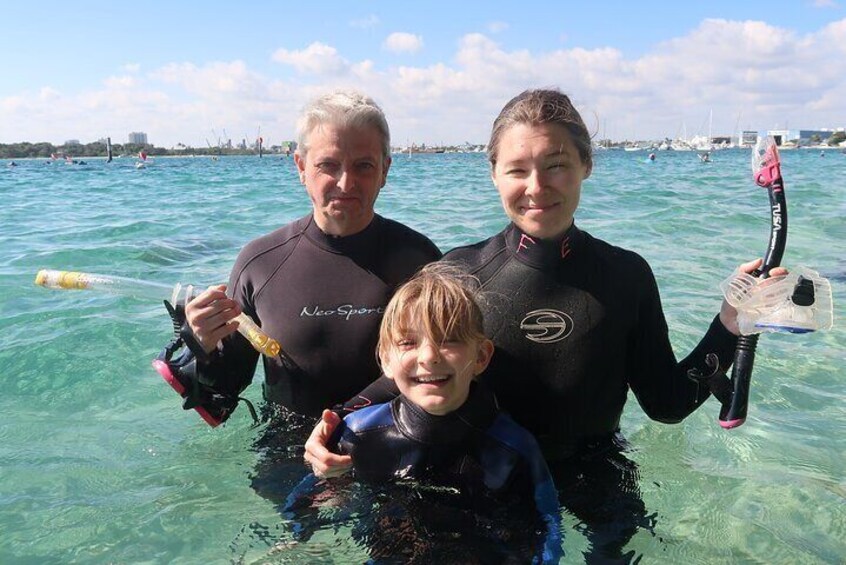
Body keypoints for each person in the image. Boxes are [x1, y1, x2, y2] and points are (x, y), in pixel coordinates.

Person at [304, 88, 778, 561]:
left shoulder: (625, 275)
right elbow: (414, 369)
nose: (537, 186)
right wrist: (337, 423)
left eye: (555, 165)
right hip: (483, 480)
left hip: (598, 476)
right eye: (517, 169)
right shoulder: (461, 273)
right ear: (494, 174)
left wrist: (728, 323)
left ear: (585, 164)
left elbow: (667, 404)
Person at [168, 89, 441, 424]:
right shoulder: (260, 264)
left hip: (392, 453)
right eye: (328, 165)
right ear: (301, 167)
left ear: (385, 170)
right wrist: (201, 342)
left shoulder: (420, 261)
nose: (345, 182)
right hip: (287, 456)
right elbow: (221, 399)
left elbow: (446, 377)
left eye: (364, 166)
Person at [286, 263, 562, 563]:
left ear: (481, 356)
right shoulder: (358, 434)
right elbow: (303, 506)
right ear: (386, 360)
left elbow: (547, 529)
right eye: (408, 342)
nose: (429, 357)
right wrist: (320, 506)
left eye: (449, 339)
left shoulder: (514, 447)